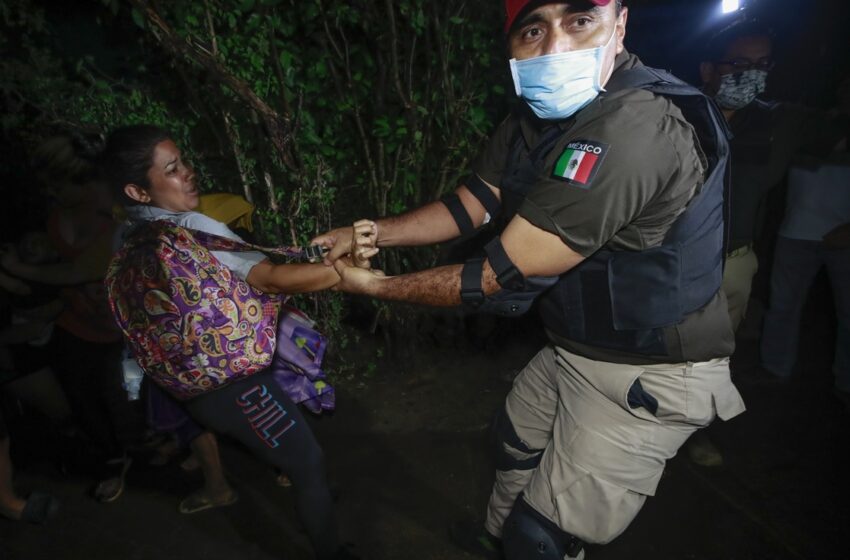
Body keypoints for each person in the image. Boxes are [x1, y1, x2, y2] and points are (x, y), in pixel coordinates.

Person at [315, 1, 745, 558]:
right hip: (575, 346)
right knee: (511, 446)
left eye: (579, 20)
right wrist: (368, 233)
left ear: (620, 23)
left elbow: (496, 275)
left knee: (541, 538)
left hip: (651, 368)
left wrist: (369, 286)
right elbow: (473, 203)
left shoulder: (633, 128)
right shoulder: (533, 117)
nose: (555, 48)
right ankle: (494, 540)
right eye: (533, 29)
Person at [102, 124, 364, 560]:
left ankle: (312, 495)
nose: (188, 172)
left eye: (183, 160)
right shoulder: (191, 226)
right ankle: (331, 551)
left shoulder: (125, 238)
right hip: (240, 386)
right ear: (139, 190)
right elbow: (274, 280)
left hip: (191, 386)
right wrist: (350, 271)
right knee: (308, 463)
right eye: (172, 168)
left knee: (295, 456)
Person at [699, 20, 848, 333]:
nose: (751, 73)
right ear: (708, 70)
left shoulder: (781, 122)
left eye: (762, 64)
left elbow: (836, 137)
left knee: (713, 354)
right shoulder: (674, 114)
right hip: (667, 260)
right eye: (739, 63)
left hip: (733, 263)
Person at [759, 124, 850, 404]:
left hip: (845, 238)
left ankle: (846, 383)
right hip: (795, 232)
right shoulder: (803, 126)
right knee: (782, 307)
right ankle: (775, 369)